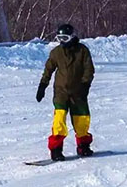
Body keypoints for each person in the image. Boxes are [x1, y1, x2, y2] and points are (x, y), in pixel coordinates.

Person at [35, 23, 96, 161]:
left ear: (72, 36)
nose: (62, 41)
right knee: (59, 120)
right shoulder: (56, 53)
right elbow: (48, 70)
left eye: (65, 38)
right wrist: (42, 85)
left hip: (78, 92)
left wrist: (85, 85)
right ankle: (56, 150)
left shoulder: (82, 51)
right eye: (59, 38)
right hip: (61, 92)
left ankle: (83, 146)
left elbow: (89, 69)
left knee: (82, 120)